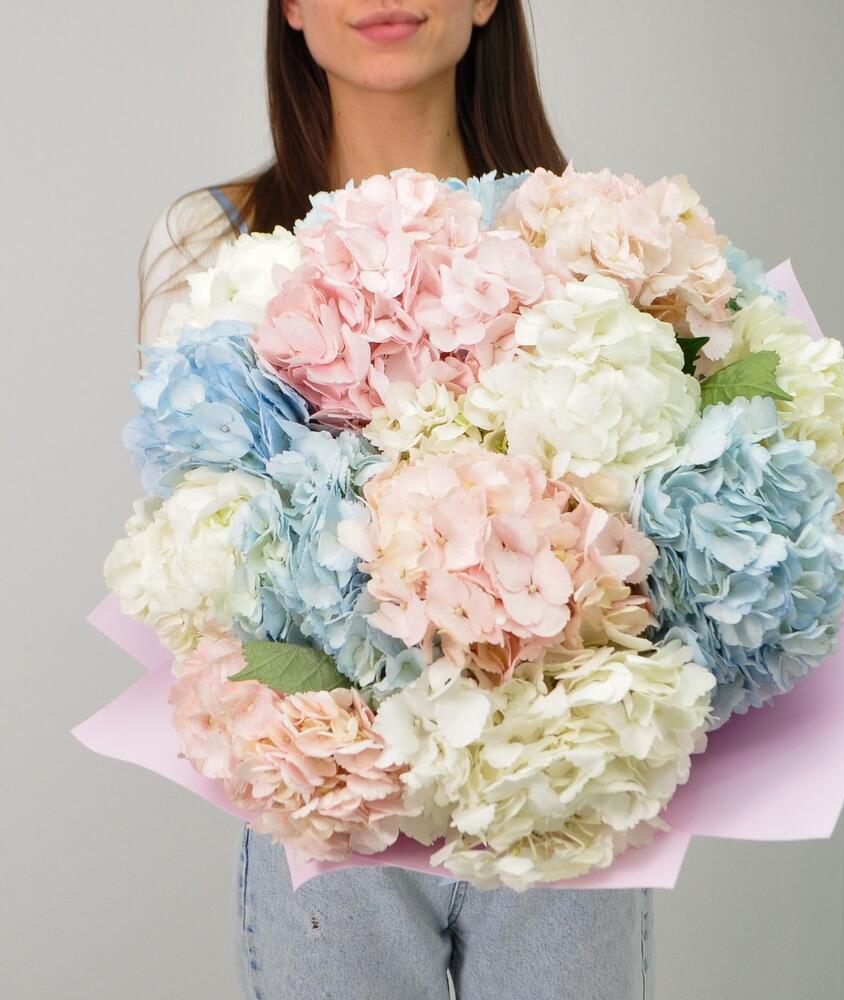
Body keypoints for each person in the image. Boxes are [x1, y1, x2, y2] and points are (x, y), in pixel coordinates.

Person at [137, 3, 655, 998]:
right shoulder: (213, 238)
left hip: (553, 783)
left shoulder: (585, 234)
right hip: (333, 794)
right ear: (291, 6)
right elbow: (193, 539)